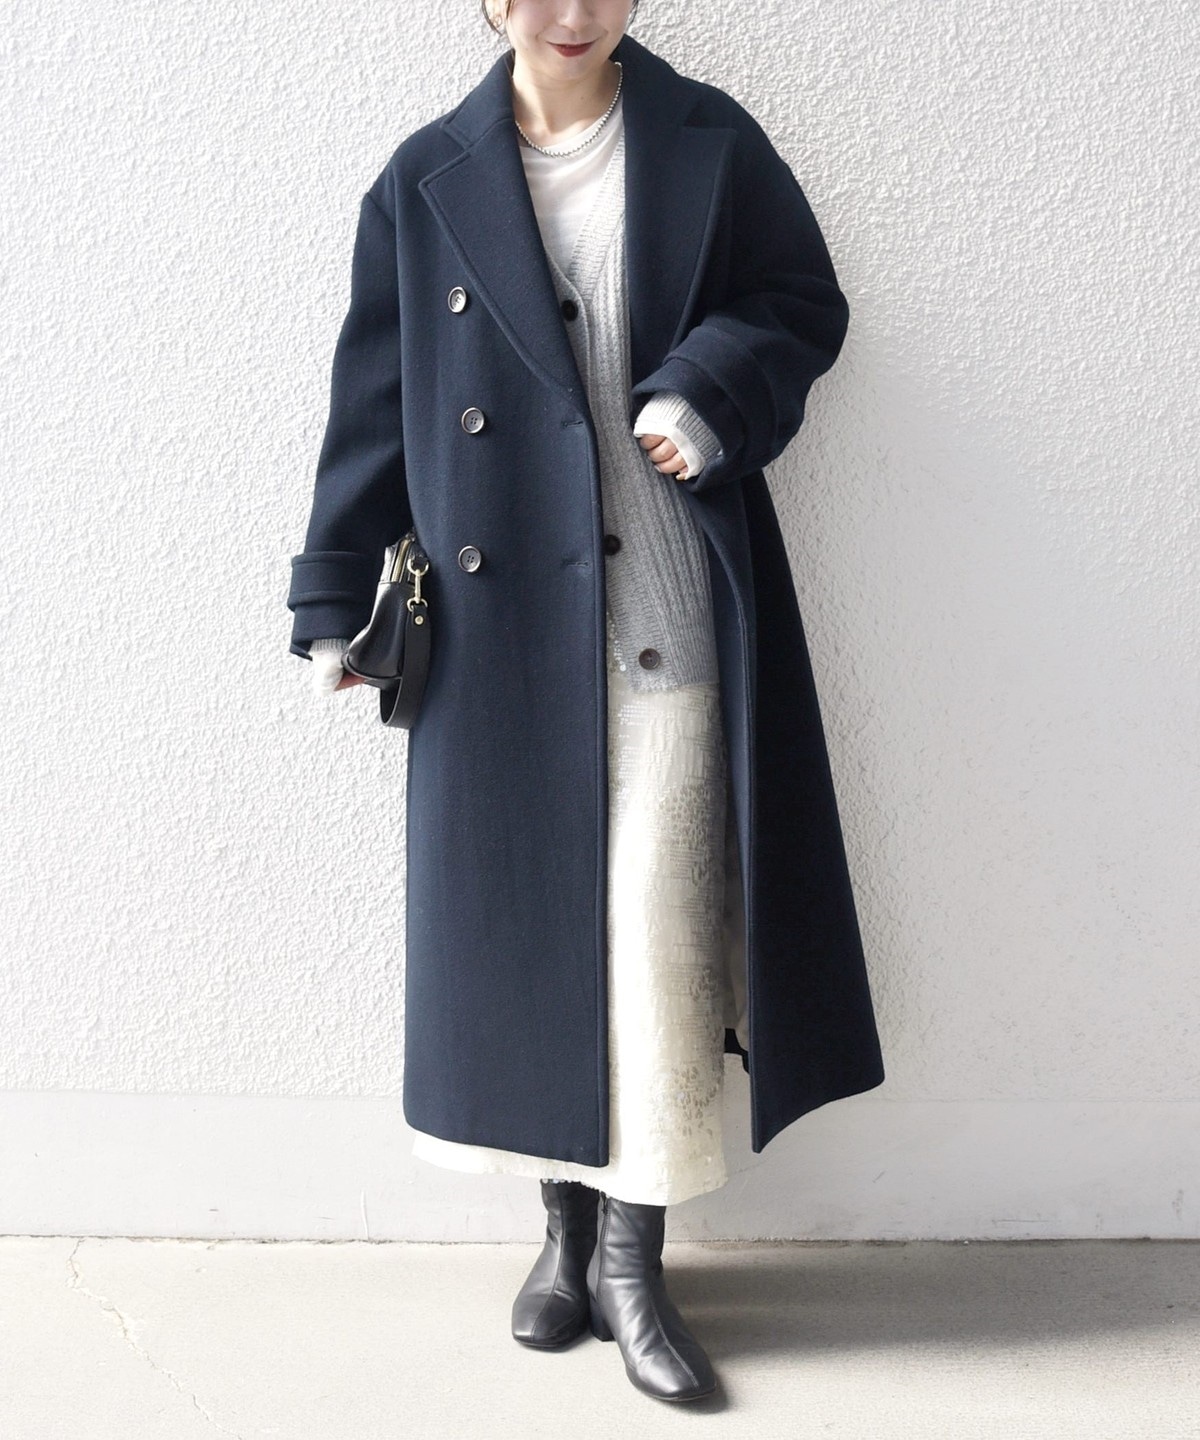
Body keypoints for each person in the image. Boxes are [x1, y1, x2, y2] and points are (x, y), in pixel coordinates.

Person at [286, 0, 885, 1405]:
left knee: (657, 948)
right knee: (530, 948)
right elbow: (373, 402)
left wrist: (708, 392)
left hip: (669, 618)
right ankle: (561, 1238)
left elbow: (803, 306)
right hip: (499, 640)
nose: (573, 13)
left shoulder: (707, 142)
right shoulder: (426, 177)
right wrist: (333, 600)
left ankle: (632, 1260)